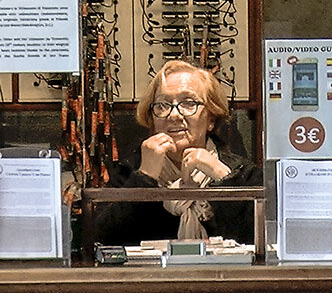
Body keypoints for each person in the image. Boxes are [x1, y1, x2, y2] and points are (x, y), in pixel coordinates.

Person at [95, 60, 259, 245]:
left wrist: (222, 177)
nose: (174, 115)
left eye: (188, 103)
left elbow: (263, 239)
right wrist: (145, 177)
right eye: (162, 106)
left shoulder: (244, 173)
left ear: (211, 119)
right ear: (152, 120)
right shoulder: (127, 172)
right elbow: (101, 239)